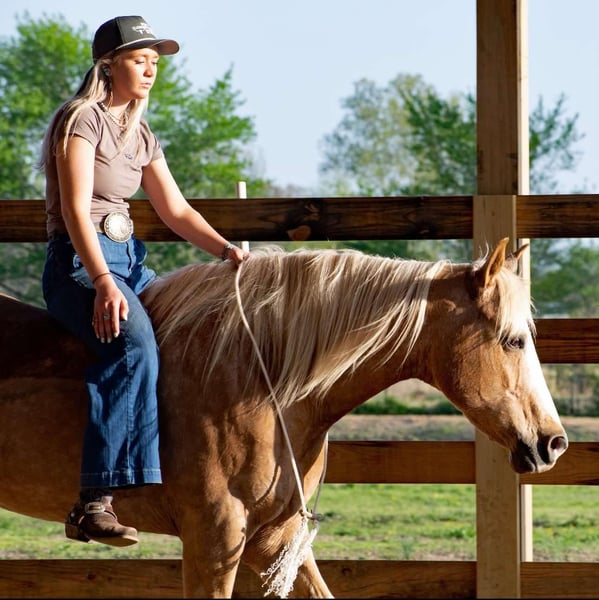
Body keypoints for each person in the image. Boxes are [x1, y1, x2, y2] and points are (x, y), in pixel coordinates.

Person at [40, 15, 249, 547]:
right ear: (109, 65)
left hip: (131, 261)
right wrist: (103, 281)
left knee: (198, 325)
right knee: (132, 345)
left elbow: (176, 211)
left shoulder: (142, 133)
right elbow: (76, 211)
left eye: (155, 61)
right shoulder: (80, 121)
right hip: (80, 264)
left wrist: (226, 251)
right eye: (140, 59)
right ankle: (94, 502)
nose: (151, 69)